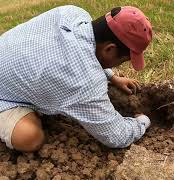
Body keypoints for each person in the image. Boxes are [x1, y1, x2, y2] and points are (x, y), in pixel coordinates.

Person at [0, 5, 153, 152]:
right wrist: (142, 121)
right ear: (110, 49)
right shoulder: (84, 85)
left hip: (8, 62)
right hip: (4, 95)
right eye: (123, 60)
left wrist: (112, 76)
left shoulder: (72, 13)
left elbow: (81, 52)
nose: (119, 65)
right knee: (30, 137)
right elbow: (117, 136)